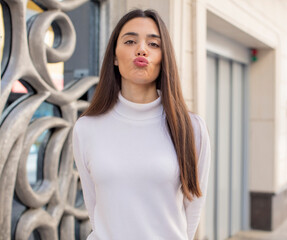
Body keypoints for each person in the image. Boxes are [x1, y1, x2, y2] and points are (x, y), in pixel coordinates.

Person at [72, 9, 211, 240]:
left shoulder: (191, 127)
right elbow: (93, 205)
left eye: (154, 44)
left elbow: (194, 206)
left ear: (163, 57)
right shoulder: (86, 128)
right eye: (130, 41)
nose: (142, 49)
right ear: (114, 57)